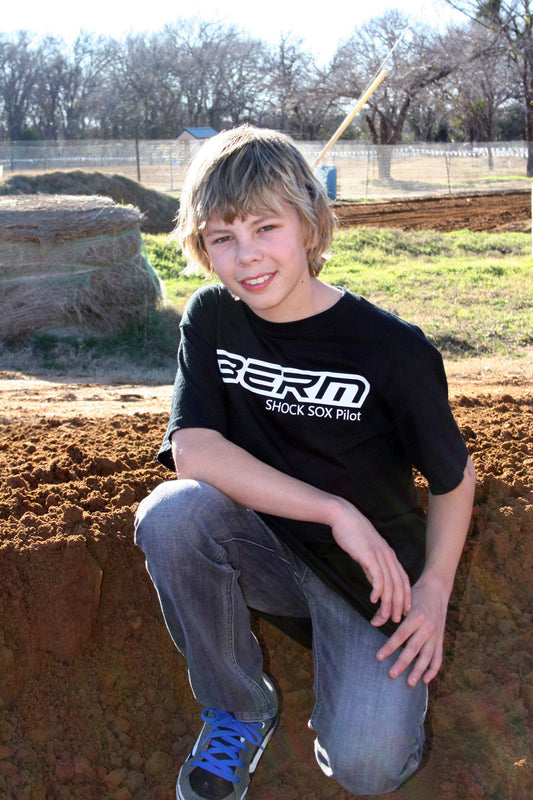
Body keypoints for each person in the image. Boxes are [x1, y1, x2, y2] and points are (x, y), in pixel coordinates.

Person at [134, 125, 476, 800]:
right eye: (221, 238)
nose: (246, 257)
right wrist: (331, 508)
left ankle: (355, 679)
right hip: (262, 549)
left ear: (311, 224)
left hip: (371, 582)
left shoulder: (390, 349)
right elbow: (193, 450)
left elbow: (454, 479)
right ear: (201, 246)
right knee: (172, 517)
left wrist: (434, 589)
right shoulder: (212, 318)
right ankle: (239, 707)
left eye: (265, 228)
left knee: (368, 769)